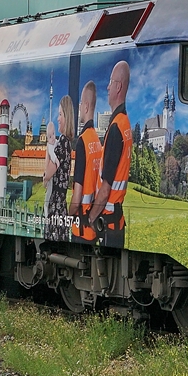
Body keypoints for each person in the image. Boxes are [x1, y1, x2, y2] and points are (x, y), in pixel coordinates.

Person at [89, 61, 131, 249]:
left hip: (107, 221)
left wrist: (90, 218)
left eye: (110, 82)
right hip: (116, 219)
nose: (107, 86)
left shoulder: (115, 129)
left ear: (118, 86)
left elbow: (105, 189)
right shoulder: (125, 123)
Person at [70, 82, 100, 243]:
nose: (79, 107)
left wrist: (67, 215)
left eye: (81, 103)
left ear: (86, 106)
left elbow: (77, 196)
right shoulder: (96, 141)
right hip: (93, 227)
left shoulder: (82, 141)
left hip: (80, 229)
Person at [43, 95, 74, 241]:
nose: (58, 118)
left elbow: (48, 172)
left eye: (60, 114)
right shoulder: (67, 143)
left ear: (66, 116)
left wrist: (48, 149)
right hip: (61, 205)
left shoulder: (62, 142)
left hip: (55, 206)